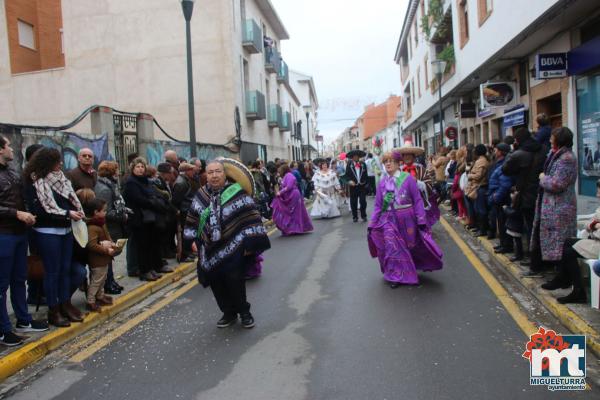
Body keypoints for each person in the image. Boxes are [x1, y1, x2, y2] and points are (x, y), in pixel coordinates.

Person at [184, 160, 271, 328]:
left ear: (225, 174)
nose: (214, 175)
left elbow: (251, 218)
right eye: (210, 172)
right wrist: (192, 240)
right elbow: (192, 218)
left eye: (218, 172)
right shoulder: (201, 195)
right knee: (216, 282)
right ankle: (228, 313)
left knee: (235, 280)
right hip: (209, 249)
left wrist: (249, 245)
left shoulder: (237, 193)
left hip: (235, 246)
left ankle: (244, 312)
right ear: (206, 175)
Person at [24, 147, 85, 327]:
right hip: (47, 232)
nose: (60, 164)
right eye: (56, 161)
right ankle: (54, 309)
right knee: (52, 272)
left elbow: (69, 200)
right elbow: (41, 210)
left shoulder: (62, 179)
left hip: (65, 230)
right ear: (46, 163)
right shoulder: (35, 181)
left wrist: (73, 213)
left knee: (65, 269)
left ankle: (65, 303)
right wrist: (67, 213)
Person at [367, 151, 443, 288]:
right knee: (392, 247)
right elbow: (378, 206)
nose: (388, 164)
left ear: (398, 163)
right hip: (388, 219)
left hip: (407, 218)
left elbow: (418, 200)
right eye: (385, 162)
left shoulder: (408, 179)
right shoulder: (382, 183)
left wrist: (421, 220)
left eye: (391, 161)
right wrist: (372, 223)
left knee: (410, 246)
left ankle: (411, 267)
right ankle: (395, 275)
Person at [0, 136, 48, 346]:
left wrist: (27, 212)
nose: (12, 149)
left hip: (20, 233)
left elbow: (21, 196)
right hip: (3, 234)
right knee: (1, 285)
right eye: (8, 145)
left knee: (19, 278)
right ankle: (3, 330)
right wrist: (16, 213)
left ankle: (23, 320)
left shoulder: (11, 170)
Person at [541, 179, 600, 304]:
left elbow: (594, 228)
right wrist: (594, 225)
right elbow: (591, 223)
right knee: (567, 242)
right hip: (595, 241)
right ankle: (564, 279)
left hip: (597, 244)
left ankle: (577, 290)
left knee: (569, 252)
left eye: (599, 190)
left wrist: (593, 227)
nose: (597, 193)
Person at [530, 127, 578, 279]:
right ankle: (558, 275)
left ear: (559, 140)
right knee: (553, 241)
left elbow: (557, 184)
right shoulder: (556, 155)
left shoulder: (567, 158)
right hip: (552, 206)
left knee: (560, 243)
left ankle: (562, 277)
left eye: (552, 138)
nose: (550, 140)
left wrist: (543, 178)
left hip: (560, 208)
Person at [502, 127, 548, 267]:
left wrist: (512, 151)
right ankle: (539, 259)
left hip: (526, 195)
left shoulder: (519, 154)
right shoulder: (543, 150)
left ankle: (533, 259)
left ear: (517, 141)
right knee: (537, 228)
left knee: (529, 228)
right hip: (542, 193)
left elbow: (506, 169)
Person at [123, 157, 166, 282]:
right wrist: (153, 202)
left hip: (148, 218)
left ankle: (150, 268)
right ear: (133, 168)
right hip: (138, 219)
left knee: (149, 245)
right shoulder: (131, 182)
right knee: (141, 246)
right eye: (138, 167)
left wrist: (152, 200)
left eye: (142, 166)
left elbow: (151, 193)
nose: (140, 169)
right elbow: (139, 199)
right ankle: (144, 271)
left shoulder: (145, 180)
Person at [94, 161, 128, 294]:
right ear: (111, 172)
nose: (118, 172)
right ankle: (108, 283)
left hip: (113, 226)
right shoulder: (104, 189)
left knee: (110, 255)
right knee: (108, 255)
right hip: (108, 227)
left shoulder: (111, 185)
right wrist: (122, 216)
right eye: (116, 170)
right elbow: (106, 212)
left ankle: (111, 280)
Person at [84, 198, 118, 311]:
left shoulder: (101, 223)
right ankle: (91, 300)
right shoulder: (92, 227)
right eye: (103, 210)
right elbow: (92, 245)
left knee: (102, 278)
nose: (105, 212)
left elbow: (107, 235)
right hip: (97, 259)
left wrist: (112, 243)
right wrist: (106, 250)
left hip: (104, 258)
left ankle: (100, 296)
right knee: (96, 280)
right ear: (95, 212)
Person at [397, 142, 438, 228]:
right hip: (403, 206)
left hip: (420, 204)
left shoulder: (421, 169)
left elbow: (429, 186)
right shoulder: (398, 171)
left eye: (409, 155)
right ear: (402, 157)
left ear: (414, 156)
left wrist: (417, 182)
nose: (407, 157)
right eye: (405, 155)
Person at [271, 163, 313, 235]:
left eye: (280, 170)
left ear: (284, 170)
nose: (279, 172)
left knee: (295, 212)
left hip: (294, 195)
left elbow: (289, 187)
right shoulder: (285, 176)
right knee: (291, 212)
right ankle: (292, 229)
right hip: (289, 196)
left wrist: (280, 192)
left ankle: (295, 229)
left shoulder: (289, 175)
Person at [488, 144, 515, 253]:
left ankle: (506, 246)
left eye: (496, 150)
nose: (495, 151)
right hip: (497, 195)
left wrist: (496, 196)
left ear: (501, 152)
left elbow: (505, 182)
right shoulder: (499, 162)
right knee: (501, 221)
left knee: (504, 222)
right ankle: (503, 244)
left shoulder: (505, 163)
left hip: (501, 197)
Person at [172, 163, 197, 262]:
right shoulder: (181, 183)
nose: (193, 172)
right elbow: (176, 200)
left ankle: (187, 253)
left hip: (186, 211)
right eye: (191, 170)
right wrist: (178, 211)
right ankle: (183, 255)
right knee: (182, 235)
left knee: (187, 234)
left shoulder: (185, 180)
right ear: (186, 171)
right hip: (183, 212)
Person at [465, 144, 490, 237]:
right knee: (476, 209)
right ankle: (479, 227)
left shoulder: (482, 161)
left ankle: (482, 229)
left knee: (480, 210)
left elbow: (478, 175)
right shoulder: (479, 161)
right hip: (476, 187)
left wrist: (469, 175)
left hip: (480, 188)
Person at [344, 150, 368, 222]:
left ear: (359, 157)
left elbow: (366, 175)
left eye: (357, 156)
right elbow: (346, 176)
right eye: (354, 156)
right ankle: (355, 216)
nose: (355, 157)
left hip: (361, 186)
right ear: (352, 157)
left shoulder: (363, 164)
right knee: (353, 202)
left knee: (363, 201)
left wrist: (365, 183)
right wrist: (349, 181)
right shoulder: (349, 165)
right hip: (353, 186)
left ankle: (363, 215)